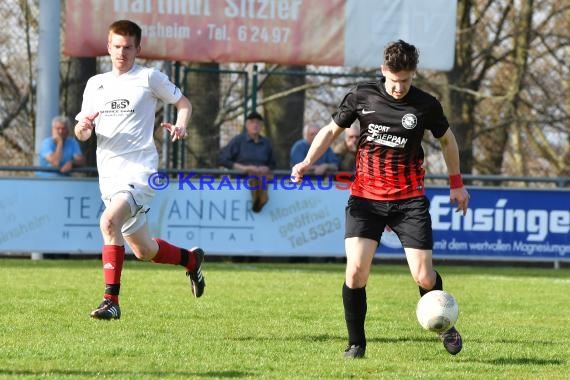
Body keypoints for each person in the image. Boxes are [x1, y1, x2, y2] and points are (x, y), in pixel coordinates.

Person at [291, 40, 470, 358]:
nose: (399, 88)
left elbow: (447, 140)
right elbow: (331, 131)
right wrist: (306, 161)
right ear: (383, 71)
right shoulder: (362, 95)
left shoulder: (425, 104)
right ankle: (356, 343)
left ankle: (444, 322)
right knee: (356, 272)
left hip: (408, 200)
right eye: (393, 80)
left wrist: (457, 183)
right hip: (366, 199)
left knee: (424, 276)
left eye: (405, 80)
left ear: (413, 74)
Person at [74, 20, 205, 320]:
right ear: (108, 47)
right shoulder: (96, 84)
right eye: (117, 46)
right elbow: (82, 133)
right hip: (109, 176)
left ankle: (111, 301)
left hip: (141, 172)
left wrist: (181, 126)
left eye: (128, 47)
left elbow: (183, 104)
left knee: (108, 223)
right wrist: (83, 127)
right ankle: (191, 260)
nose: (122, 52)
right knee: (144, 250)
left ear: (138, 49)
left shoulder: (148, 78)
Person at [218, 111, 276, 213]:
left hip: (263, 179)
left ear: (262, 126)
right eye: (252, 122)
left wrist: (265, 168)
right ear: (247, 125)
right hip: (240, 182)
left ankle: (260, 200)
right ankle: (259, 200)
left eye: (258, 123)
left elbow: (273, 163)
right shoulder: (238, 141)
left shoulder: (266, 143)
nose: (255, 125)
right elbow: (223, 159)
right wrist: (245, 168)